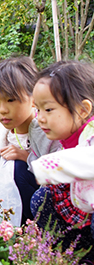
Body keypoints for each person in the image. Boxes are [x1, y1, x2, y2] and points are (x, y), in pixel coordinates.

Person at [0, 56, 61, 226]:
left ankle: (33, 231)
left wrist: (26, 157)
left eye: (10, 100)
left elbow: (61, 172)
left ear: (33, 97)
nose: (2, 110)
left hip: (51, 200)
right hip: (21, 194)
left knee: (18, 169)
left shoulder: (45, 130)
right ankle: (7, 229)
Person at [30, 60, 94, 260]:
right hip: (84, 205)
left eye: (48, 110)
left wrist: (46, 167)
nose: (40, 118)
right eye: (38, 110)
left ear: (83, 110)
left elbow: (86, 159)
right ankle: (67, 254)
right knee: (43, 197)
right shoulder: (69, 136)